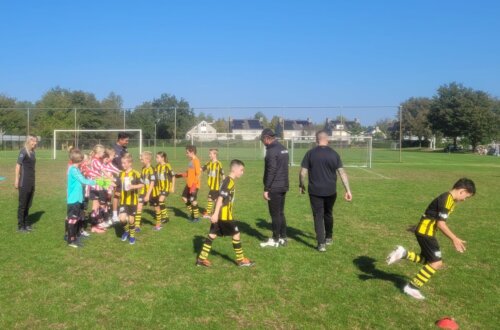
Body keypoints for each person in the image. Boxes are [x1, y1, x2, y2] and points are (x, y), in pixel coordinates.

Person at [386, 178, 476, 300]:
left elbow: (430, 214)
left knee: (427, 260)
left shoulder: (448, 198)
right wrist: (454, 239)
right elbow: (441, 224)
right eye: (466, 196)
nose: (464, 199)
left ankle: (403, 253)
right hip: (426, 233)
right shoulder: (447, 199)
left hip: (425, 231)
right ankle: (412, 287)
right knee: (436, 263)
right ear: (462, 191)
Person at [299, 130, 353, 252]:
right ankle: (328, 237)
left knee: (318, 216)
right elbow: (342, 173)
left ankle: (321, 244)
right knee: (328, 213)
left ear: (316, 140)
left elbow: (303, 172)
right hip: (331, 191)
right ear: (327, 139)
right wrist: (348, 190)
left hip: (315, 191)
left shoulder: (310, 154)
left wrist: (301, 185)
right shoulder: (334, 154)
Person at [196, 159, 254, 267]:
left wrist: (215, 213)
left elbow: (219, 197)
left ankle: (201, 259)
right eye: (241, 170)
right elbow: (221, 197)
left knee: (212, 235)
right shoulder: (229, 181)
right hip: (224, 215)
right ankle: (241, 260)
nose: (242, 172)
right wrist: (215, 214)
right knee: (236, 234)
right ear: (235, 169)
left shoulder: (227, 180)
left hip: (220, 214)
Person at [259, 128, 289, 248]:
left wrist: (267, 188)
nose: (262, 142)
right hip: (283, 185)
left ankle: (275, 238)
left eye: (262, 140)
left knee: (275, 214)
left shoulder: (271, 151)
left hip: (274, 187)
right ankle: (283, 237)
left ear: (267, 138)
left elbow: (271, 170)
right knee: (281, 213)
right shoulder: (283, 149)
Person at [66, 149, 102, 248]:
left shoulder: (76, 169)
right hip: (73, 199)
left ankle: (75, 236)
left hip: (78, 198)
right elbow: (84, 181)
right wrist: (98, 182)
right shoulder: (73, 170)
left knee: (77, 218)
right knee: (72, 219)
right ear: (80, 160)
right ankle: (70, 240)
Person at [116, 153, 144, 245]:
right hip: (123, 200)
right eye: (122, 163)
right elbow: (117, 184)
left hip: (133, 201)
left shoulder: (136, 173)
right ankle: (127, 231)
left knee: (131, 220)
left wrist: (133, 186)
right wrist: (107, 183)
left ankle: (132, 236)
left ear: (130, 163)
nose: (122, 165)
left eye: (124, 163)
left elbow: (142, 184)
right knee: (122, 218)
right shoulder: (121, 174)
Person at [15, 134, 38, 232]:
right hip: (24, 181)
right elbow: (17, 166)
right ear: (29, 141)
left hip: (31, 181)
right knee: (23, 204)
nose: (35, 143)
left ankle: (26, 224)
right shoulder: (23, 151)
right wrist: (16, 180)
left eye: (36, 141)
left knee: (28, 204)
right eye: (33, 141)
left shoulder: (33, 152)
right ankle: (20, 226)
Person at [176, 145, 201, 222]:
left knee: (193, 200)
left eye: (187, 153)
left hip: (194, 185)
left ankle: (196, 217)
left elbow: (198, 174)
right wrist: (180, 175)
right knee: (184, 198)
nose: (186, 154)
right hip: (188, 184)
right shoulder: (191, 161)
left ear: (192, 152)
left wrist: (194, 185)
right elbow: (189, 173)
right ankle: (193, 214)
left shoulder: (196, 161)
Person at [135, 151, 158, 231]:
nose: (141, 161)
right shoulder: (143, 169)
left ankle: (158, 224)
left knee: (156, 207)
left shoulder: (152, 169)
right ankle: (137, 225)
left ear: (148, 159)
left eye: (142, 159)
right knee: (139, 205)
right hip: (143, 191)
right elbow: (142, 181)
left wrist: (148, 195)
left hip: (152, 192)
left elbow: (152, 183)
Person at [111, 132, 130, 222]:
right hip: (116, 176)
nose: (127, 142)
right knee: (117, 194)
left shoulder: (124, 149)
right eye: (126, 140)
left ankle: (124, 212)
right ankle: (114, 215)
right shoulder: (113, 149)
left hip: (125, 174)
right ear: (120, 140)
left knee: (126, 192)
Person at [201, 148, 225, 218]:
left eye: (210, 154)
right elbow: (202, 168)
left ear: (215, 154)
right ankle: (219, 212)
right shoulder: (209, 163)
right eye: (209, 154)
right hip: (211, 186)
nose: (209, 155)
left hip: (216, 186)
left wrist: (224, 184)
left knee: (210, 199)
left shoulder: (218, 164)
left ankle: (208, 213)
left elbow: (222, 174)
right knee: (216, 200)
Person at [155, 151, 175, 225]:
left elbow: (173, 176)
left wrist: (172, 187)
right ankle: (164, 216)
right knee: (160, 202)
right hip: (159, 187)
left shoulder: (167, 166)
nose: (156, 159)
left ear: (162, 158)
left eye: (157, 157)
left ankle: (165, 217)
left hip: (166, 187)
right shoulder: (157, 166)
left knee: (160, 200)